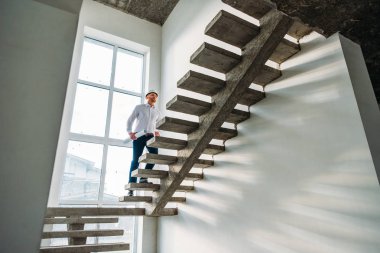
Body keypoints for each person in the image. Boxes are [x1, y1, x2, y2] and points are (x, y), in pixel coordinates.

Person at [126, 89, 160, 196]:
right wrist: (130, 132)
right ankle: (131, 186)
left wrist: (155, 131)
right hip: (139, 135)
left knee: (154, 156)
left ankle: (143, 178)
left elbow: (153, 124)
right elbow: (130, 120)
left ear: (156, 98)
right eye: (151, 94)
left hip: (150, 136)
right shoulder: (139, 107)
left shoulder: (157, 111)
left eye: (155, 95)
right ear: (147, 97)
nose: (153, 96)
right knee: (135, 160)